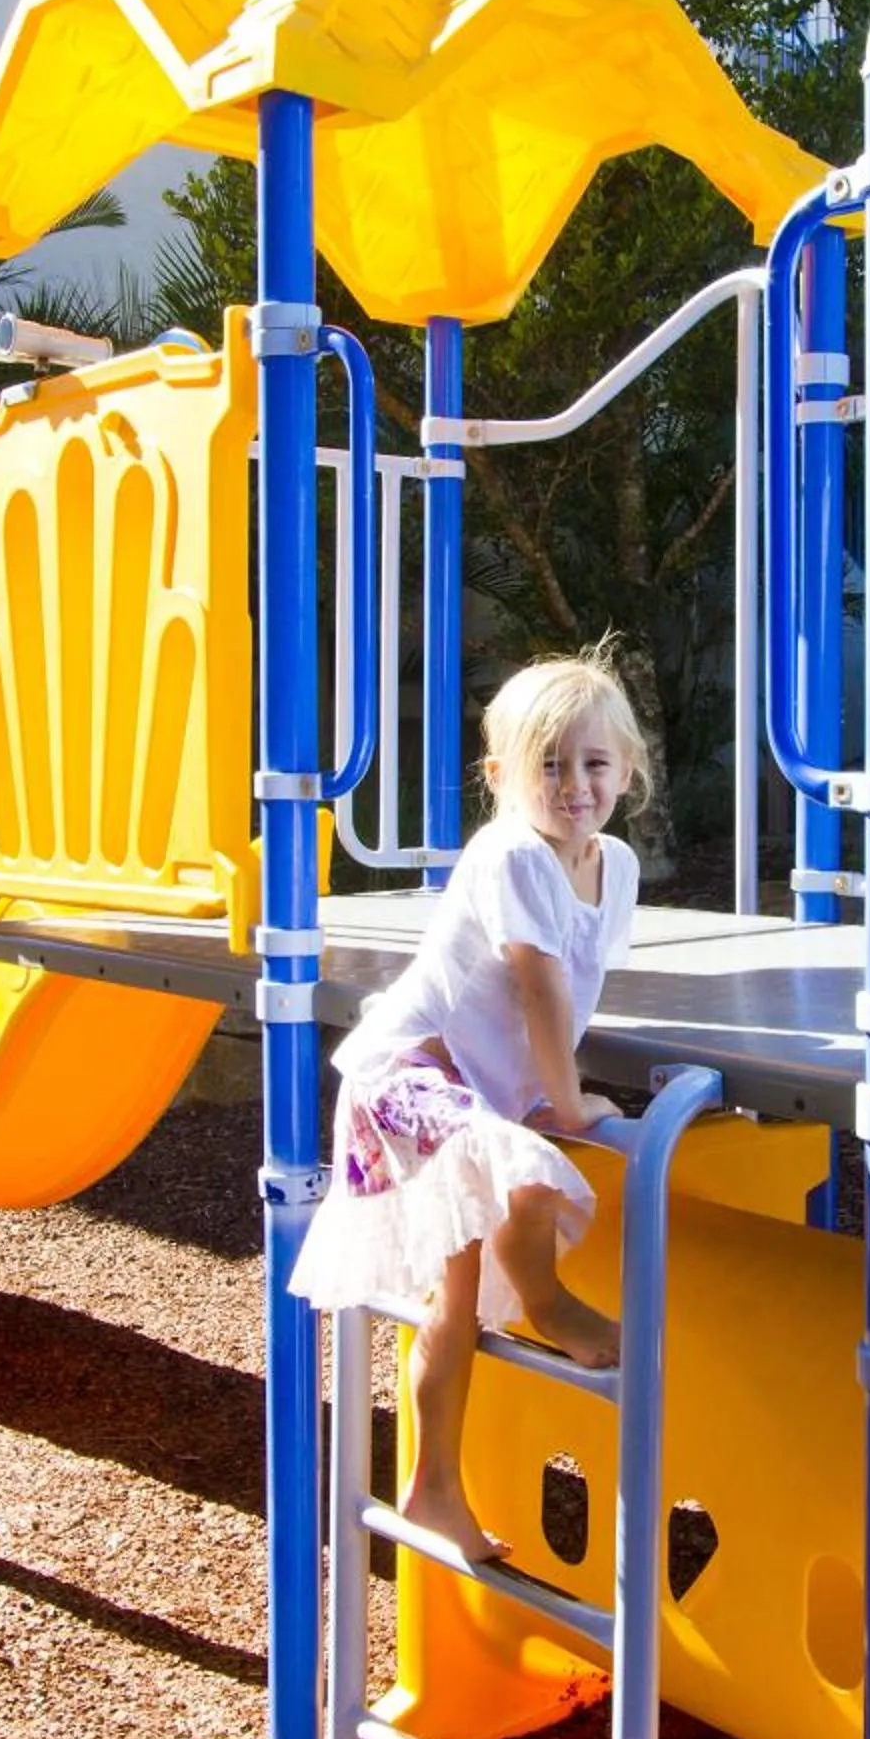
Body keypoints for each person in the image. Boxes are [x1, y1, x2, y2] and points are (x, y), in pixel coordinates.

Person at [291, 649, 646, 1562]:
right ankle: (541, 1305)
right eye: (550, 767)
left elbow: (576, 983)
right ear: (501, 778)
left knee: (460, 1291)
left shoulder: (617, 867)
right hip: (407, 1077)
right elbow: (539, 988)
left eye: (594, 765)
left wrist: (546, 1093)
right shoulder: (511, 855)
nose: (575, 786)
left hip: (481, 1089)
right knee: (509, 1188)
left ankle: (430, 1486)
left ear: (627, 771)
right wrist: (565, 1104)